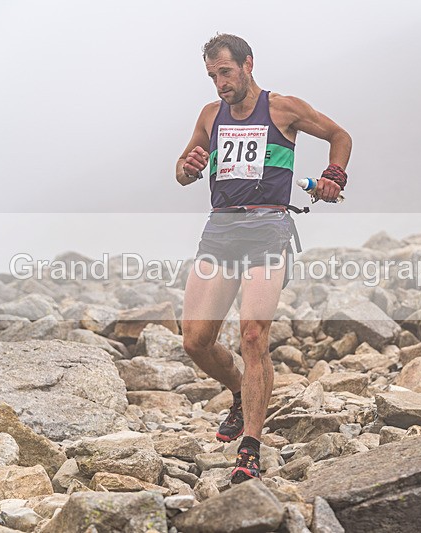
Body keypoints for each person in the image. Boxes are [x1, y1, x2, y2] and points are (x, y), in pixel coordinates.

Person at [175, 33, 352, 484]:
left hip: (268, 229)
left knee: (253, 336)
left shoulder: (283, 109)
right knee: (194, 341)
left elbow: (339, 135)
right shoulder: (210, 116)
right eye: (213, 76)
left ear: (248, 65)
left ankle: (249, 449)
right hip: (221, 229)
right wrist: (188, 168)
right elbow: (181, 171)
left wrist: (333, 174)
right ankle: (239, 391)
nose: (220, 83)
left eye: (226, 72)